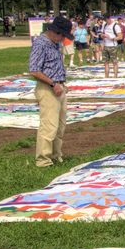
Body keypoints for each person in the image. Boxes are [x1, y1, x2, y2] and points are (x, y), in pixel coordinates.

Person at [28, 16, 72, 167]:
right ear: (54, 31)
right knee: (49, 126)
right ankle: (43, 160)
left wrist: (61, 83)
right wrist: (53, 84)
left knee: (60, 125)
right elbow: (33, 70)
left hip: (59, 87)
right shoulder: (40, 44)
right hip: (48, 89)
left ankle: (56, 155)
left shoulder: (54, 44)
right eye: (62, 35)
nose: (63, 39)